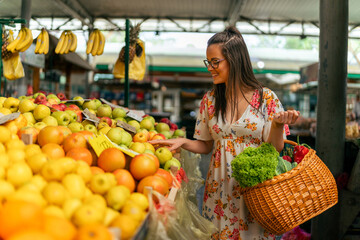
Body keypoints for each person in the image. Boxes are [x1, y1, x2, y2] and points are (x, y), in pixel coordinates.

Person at [149, 26, 299, 239]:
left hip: (255, 193)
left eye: (215, 62)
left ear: (235, 60)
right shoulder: (210, 100)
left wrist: (276, 125)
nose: (210, 68)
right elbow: (206, 145)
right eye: (208, 62)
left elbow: (276, 147)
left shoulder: (266, 98)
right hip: (220, 193)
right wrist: (183, 142)